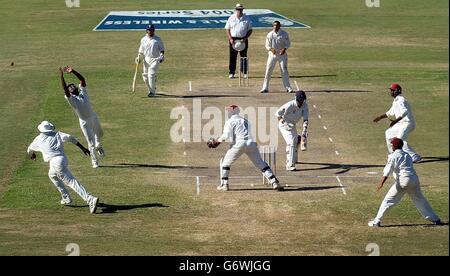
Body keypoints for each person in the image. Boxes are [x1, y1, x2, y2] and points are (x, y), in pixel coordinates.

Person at [27, 121, 99, 214]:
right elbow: (70, 137)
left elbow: (29, 150)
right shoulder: (57, 134)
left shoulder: (38, 139)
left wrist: (32, 155)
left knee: (71, 182)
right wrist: (83, 148)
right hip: (61, 160)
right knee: (52, 175)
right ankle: (66, 197)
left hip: (56, 163)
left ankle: (90, 199)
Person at [368, 138, 441, 227]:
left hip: (403, 181)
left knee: (388, 200)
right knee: (421, 201)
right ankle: (435, 219)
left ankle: (376, 221)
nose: (391, 146)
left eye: (392, 145)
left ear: (394, 146)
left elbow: (388, 170)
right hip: (414, 180)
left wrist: (381, 183)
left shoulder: (393, 156)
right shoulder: (407, 155)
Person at [207, 105, 282, 191]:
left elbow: (226, 135)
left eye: (229, 111)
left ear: (233, 112)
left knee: (225, 163)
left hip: (239, 144)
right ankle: (274, 182)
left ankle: (224, 184)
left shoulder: (230, 121)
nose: (228, 112)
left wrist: (217, 142)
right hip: (251, 143)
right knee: (261, 163)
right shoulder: (246, 121)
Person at [59, 66, 105, 169]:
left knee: (100, 134)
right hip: (84, 122)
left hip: (93, 117)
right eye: (70, 87)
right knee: (91, 142)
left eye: (73, 85)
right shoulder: (71, 99)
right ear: (69, 92)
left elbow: (82, 80)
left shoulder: (83, 92)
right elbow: (64, 89)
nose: (72, 87)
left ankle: (99, 146)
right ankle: (94, 161)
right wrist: (62, 75)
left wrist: (73, 71)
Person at [373, 83, 421, 162]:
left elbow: (405, 112)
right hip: (401, 124)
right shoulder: (395, 101)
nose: (391, 92)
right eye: (391, 90)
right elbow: (390, 113)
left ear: (397, 91)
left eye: (392, 90)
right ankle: (393, 154)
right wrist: (380, 117)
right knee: (388, 133)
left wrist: (395, 121)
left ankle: (415, 157)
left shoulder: (401, 100)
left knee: (399, 140)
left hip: (407, 123)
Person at [275, 91, 309, 171]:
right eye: (299, 101)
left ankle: (294, 158)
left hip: (292, 125)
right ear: (296, 99)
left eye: (302, 100)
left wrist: (304, 130)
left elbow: (305, 119)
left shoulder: (305, 106)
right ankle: (289, 165)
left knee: (296, 140)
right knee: (291, 143)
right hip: (284, 125)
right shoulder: (289, 105)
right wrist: (282, 121)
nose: (301, 103)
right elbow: (277, 113)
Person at [260, 21, 294, 93]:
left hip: (282, 55)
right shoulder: (270, 34)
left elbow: (288, 43)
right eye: (274, 25)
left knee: (284, 70)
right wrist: (271, 49)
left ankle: (288, 87)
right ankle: (265, 87)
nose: (275, 27)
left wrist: (284, 49)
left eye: (277, 25)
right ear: (273, 26)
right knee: (268, 70)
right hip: (272, 55)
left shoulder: (284, 34)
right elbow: (267, 45)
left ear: (279, 26)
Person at [135, 24, 165, 97]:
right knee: (145, 77)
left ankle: (152, 92)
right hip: (146, 59)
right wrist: (138, 57)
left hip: (155, 59)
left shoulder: (158, 39)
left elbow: (162, 49)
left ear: (154, 31)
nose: (150, 31)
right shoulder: (143, 39)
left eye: (151, 30)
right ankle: (151, 87)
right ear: (146, 30)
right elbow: (141, 51)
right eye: (149, 30)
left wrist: (161, 55)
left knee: (151, 74)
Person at [225, 3, 253, 79]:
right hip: (233, 39)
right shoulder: (231, 18)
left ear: (242, 10)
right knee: (232, 57)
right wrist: (230, 38)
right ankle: (231, 73)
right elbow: (227, 29)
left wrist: (245, 38)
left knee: (243, 56)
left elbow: (250, 30)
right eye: (238, 9)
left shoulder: (246, 18)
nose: (239, 11)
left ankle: (244, 72)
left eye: (240, 9)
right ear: (235, 10)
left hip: (243, 39)